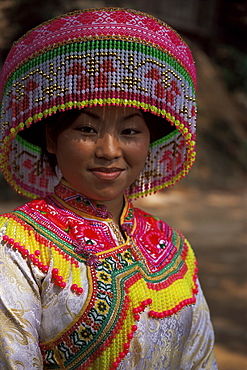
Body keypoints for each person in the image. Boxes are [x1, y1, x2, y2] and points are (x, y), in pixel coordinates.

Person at [0, 7, 217, 370]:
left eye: (130, 131)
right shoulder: (17, 245)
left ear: (148, 141)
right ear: (52, 139)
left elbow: (200, 360)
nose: (110, 151)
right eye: (86, 130)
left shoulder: (175, 249)